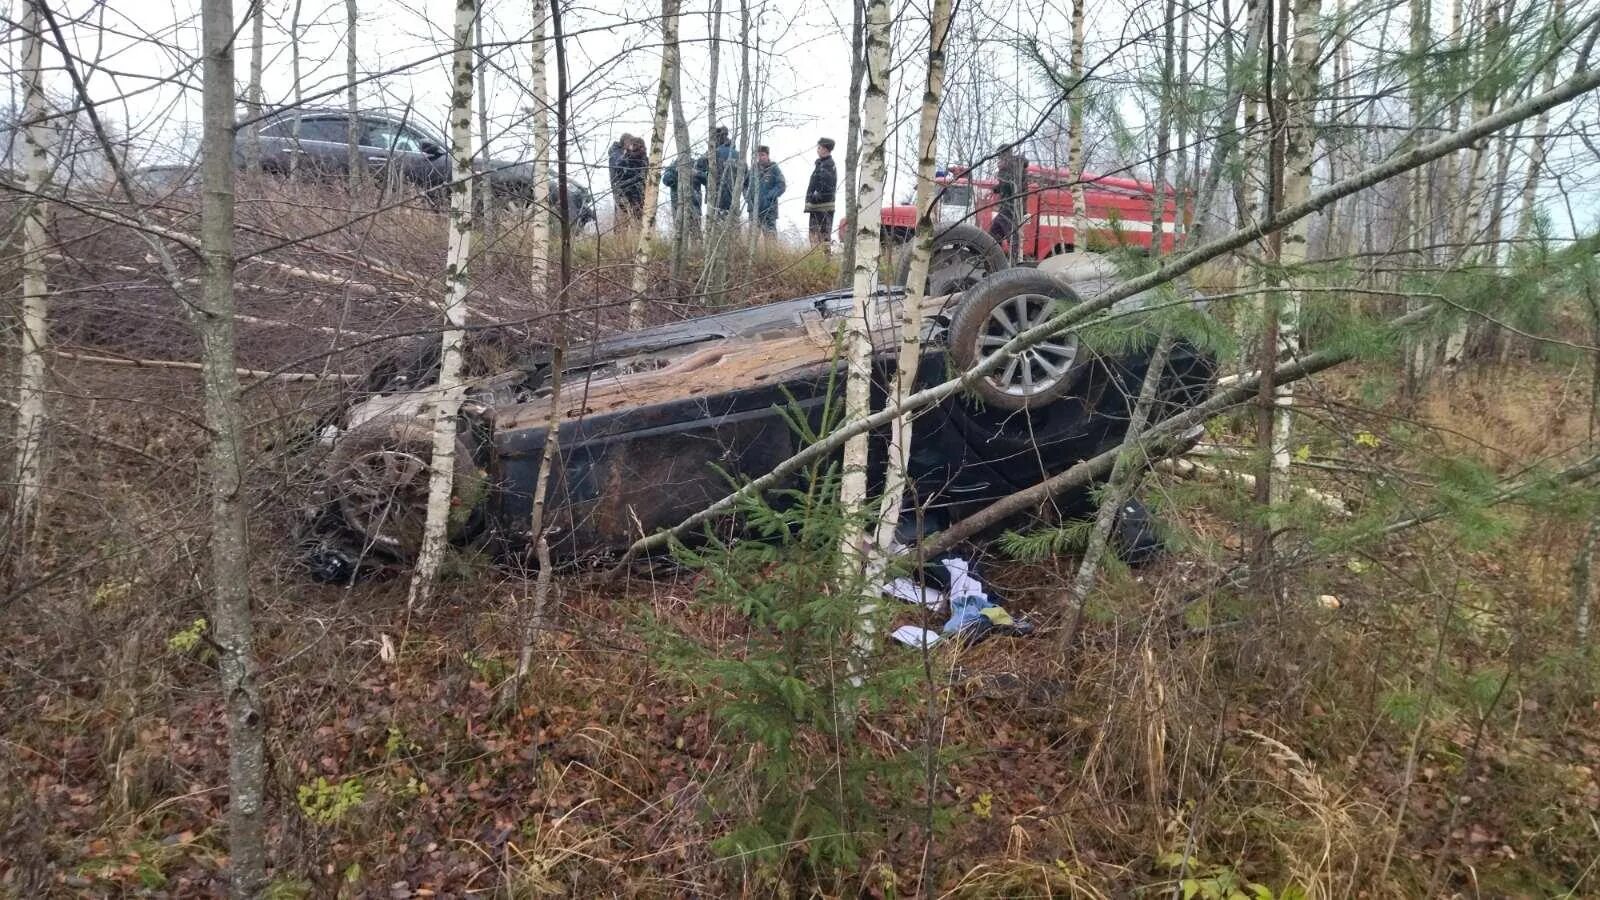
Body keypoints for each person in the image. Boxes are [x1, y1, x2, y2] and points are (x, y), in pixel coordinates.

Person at [989, 144, 1028, 261]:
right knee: (996, 233)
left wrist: (1001, 171)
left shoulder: (1012, 166)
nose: (998, 159)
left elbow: (1010, 186)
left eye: (1000, 156)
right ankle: (999, 259)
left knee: (1008, 235)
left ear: (1004, 154)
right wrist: (997, 188)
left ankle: (1011, 261)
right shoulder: (1015, 165)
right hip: (1011, 206)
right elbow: (1010, 186)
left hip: (1011, 207)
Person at [694, 125, 742, 220]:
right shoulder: (738, 155)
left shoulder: (711, 154)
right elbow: (746, 178)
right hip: (734, 199)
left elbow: (698, 172)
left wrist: (702, 176)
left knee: (715, 229)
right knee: (733, 229)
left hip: (715, 199)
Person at [804, 137, 837, 248]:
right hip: (817, 208)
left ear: (825, 149)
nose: (817, 150)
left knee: (823, 239)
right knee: (814, 238)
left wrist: (814, 197)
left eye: (819, 147)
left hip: (823, 209)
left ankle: (825, 263)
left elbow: (826, 188)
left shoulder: (827, 165)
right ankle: (815, 261)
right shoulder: (821, 165)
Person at [608, 133, 647, 227]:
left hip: (635, 192)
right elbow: (620, 169)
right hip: (621, 191)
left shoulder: (637, 156)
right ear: (625, 143)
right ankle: (620, 241)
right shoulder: (617, 154)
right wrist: (630, 155)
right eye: (632, 144)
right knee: (622, 221)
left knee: (638, 220)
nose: (632, 146)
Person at [747, 145, 786, 233]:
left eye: (762, 155)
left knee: (770, 238)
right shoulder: (753, 169)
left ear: (767, 156)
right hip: (754, 210)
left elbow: (781, 185)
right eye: (758, 155)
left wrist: (769, 197)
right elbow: (745, 185)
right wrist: (748, 198)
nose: (760, 158)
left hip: (769, 210)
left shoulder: (774, 168)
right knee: (751, 239)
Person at [661, 150, 702, 233]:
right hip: (679, 205)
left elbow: (707, 178)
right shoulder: (673, 166)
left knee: (696, 233)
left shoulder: (695, 164)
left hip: (695, 205)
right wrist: (676, 172)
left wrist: (696, 173)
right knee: (679, 232)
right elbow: (666, 180)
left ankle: (697, 246)